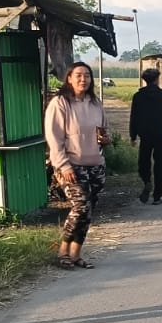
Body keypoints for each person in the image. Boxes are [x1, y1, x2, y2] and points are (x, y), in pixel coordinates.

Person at [45, 61, 109, 268]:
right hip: (71, 164)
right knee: (80, 206)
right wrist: (63, 165)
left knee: (88, 210)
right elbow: (54, 138)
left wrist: (104, 140)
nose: (83, 79)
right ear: (69, 79)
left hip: (95, 163)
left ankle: (75, 254)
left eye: (87, 75)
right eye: (79, 75)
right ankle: (62, 251)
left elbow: (104, 130)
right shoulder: (60, 103)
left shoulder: (95, 103)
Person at [128, 67, 162, 204]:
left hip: (145, 135)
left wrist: (133, 136)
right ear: (156, 79)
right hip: (160, 134)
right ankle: (157, 197)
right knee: (160, 165)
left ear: (145, 80)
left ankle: (147, 181)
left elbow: (134, 117)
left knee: (143, 163)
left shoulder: (138, 96)